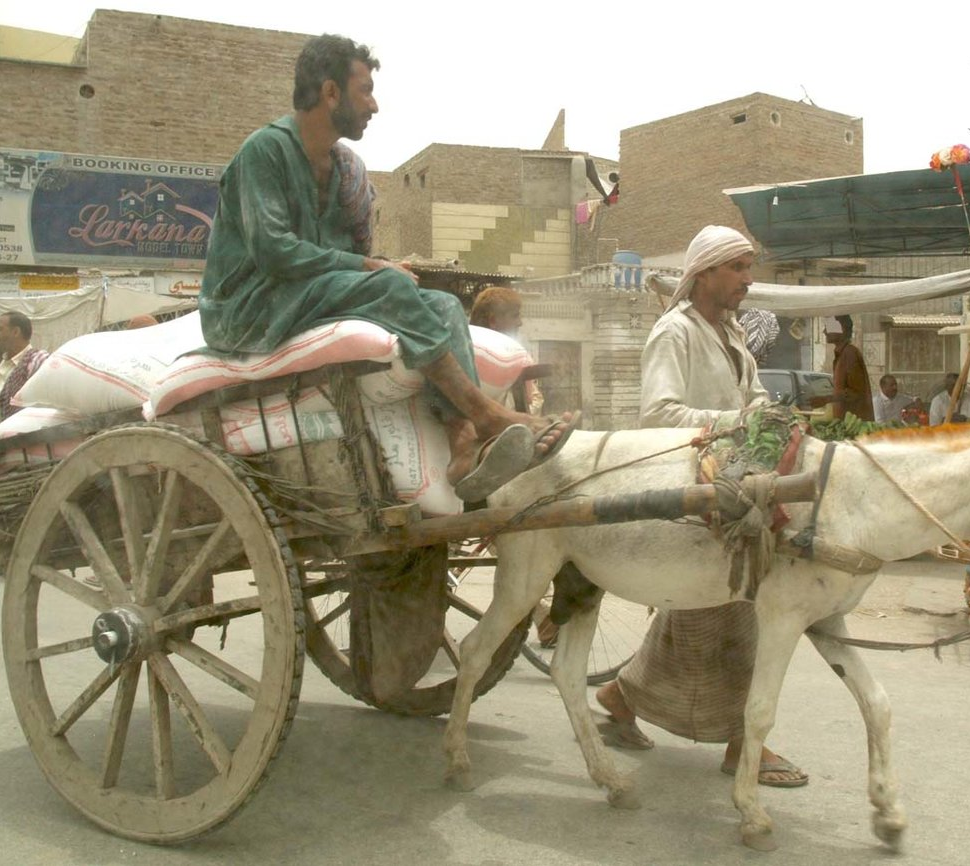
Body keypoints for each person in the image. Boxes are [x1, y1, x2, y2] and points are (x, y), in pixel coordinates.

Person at [198, 34, 573, 502]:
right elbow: (275, 252)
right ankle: (486, 413)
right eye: (366, 91)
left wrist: (379, 266)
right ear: (331, 92)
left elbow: (335, 262)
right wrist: (368, 266)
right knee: (387, 286)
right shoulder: (264, 151)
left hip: (300, 296)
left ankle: (463, 439)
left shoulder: (340, 171)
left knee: (439, 302)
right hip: (248, 306)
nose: (374, 105)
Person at [593, 225, 808, 789]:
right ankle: (743, 743)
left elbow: (752, 395)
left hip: (734, 481)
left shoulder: (732, 332)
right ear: (706, 272)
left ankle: (621, 695)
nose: (748, 279)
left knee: (708, 605)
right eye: (738, 268)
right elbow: (659, 414)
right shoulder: (673, 333)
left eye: (749, 266)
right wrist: (737, 422)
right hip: (695, 484)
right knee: (735, 603)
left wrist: (769, 414)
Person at [0, 311, 49, 576]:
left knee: (17, 505)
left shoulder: (36, 360)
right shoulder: (4, 365)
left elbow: (43, 399)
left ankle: (23, 558)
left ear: (16, 332)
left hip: (20, 448)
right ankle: (6, 559)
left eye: (0, 328)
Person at [469, 285, 544, 415]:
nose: (520, 323)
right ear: (493, 321)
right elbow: (531, 402)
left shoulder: (461, 347)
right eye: (515, 316)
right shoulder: (515, 354)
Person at [825, 314, 874, 421]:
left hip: (855, 424)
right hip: (843, 423)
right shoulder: (842, 354)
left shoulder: (850, 353)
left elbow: (855, 393)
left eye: (828, 327)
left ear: (841, 329)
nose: (824, 331)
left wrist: (825, 399)